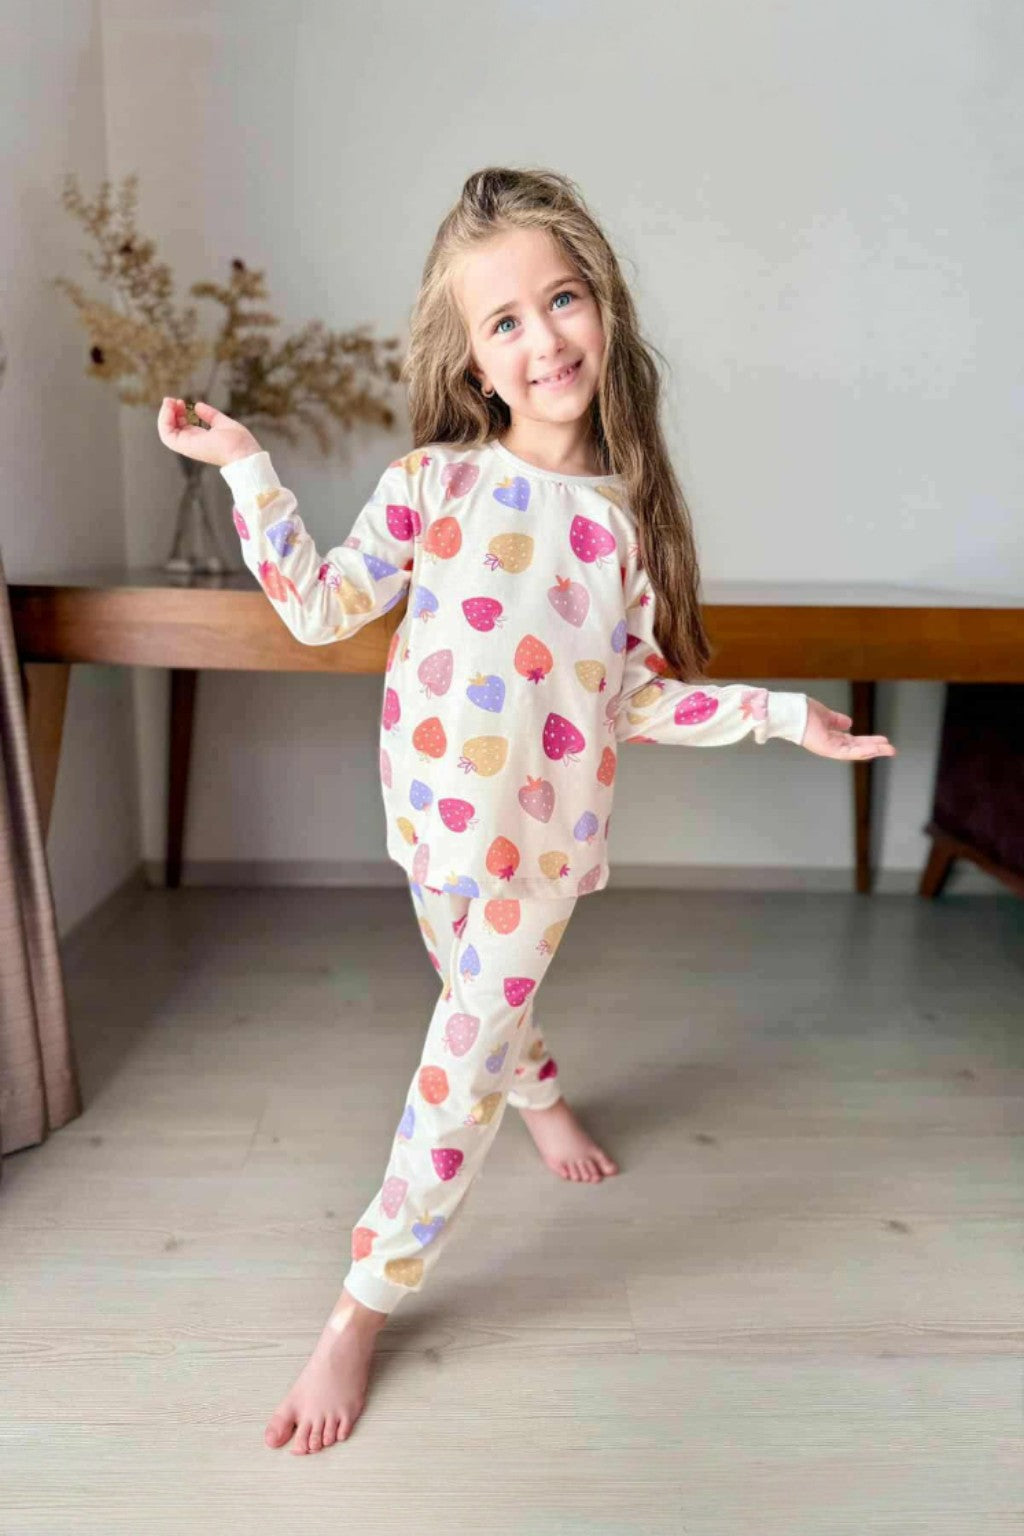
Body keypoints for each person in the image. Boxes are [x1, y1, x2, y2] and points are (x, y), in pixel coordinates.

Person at [156, 165, 896, 1456]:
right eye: (505, 320)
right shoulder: (431, 485)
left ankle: (361, 1303)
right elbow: (323, 610)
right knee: (476, 1008)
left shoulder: (624, 529)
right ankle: (541, 1092)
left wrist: (787, 718)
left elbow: (635, 699)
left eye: (562, 299)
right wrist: (247, 467)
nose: (544, 337)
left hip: (540, 853)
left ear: (602, 305)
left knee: (456, 1068)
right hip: (426, 819)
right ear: (473, 362)